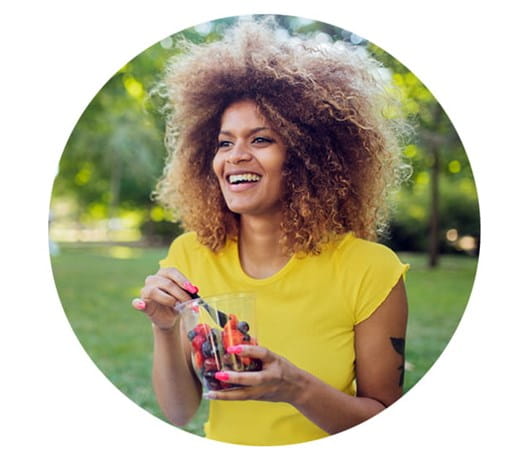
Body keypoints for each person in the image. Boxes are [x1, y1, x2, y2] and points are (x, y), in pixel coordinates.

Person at [132, 17, 410, 446]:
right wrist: (165, 328)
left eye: (261, 140)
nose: (235, 157)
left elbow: (387, 424)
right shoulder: (190, 256)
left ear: (307, 156)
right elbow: (179, 410)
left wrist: (293, 388)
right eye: (225, 143)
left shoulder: (370, 269)